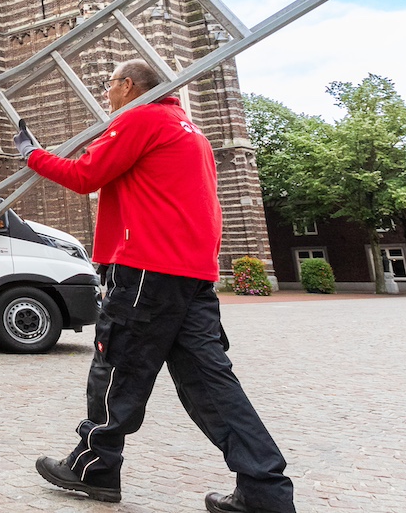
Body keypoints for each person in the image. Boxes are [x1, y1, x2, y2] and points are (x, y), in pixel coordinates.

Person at [21, 59, 296, 513]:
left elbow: (85, 175)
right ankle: (265, 488)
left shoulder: (140, 118)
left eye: (109, 85)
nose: (107, 94)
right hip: (193, 273)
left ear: (128, 85)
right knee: (209, 383)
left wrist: (32, 154)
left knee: (118, 366)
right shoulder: (188, 129)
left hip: (147, 270)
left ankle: (95, 467)